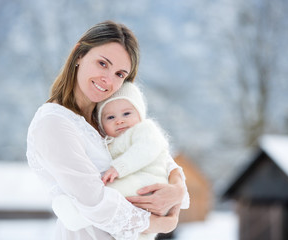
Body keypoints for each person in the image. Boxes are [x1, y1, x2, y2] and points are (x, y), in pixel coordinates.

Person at [26, 20, 189, 240]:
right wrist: (162, 223)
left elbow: (155, 152)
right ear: (79, 54)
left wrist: (178, 188)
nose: (108, 80)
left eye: (120, 74)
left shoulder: (109, 118)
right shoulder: (54, 124)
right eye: (103, 64)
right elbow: (95, 201)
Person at [96, 82, 177, 240]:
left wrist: (119, 167)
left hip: (148, 182)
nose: (119, 121)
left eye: (126, 114)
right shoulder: (109, 142)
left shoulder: (146, 129)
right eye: (110, 117)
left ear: (140, 114)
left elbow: (145, 150)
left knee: (106, 194)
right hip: (136, 190)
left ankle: (74, 210)